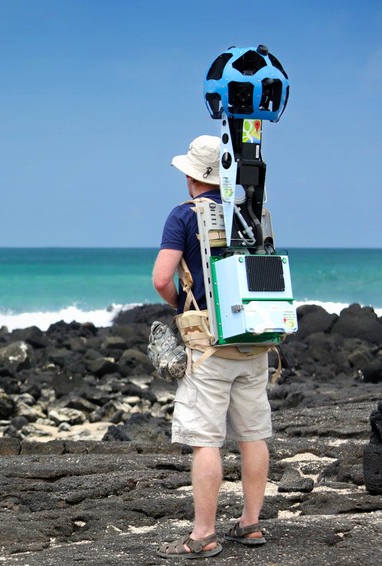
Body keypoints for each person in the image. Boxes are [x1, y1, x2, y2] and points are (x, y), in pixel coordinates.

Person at [153, 135, 271, 559]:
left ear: (191, 175)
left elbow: (162, 279)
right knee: (253, 435)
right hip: (254, 341)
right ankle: (251, 524)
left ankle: (203, 534)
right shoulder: (245, 214)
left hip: (208, 346)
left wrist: (185, 305)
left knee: (206, 440)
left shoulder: (182, 216)